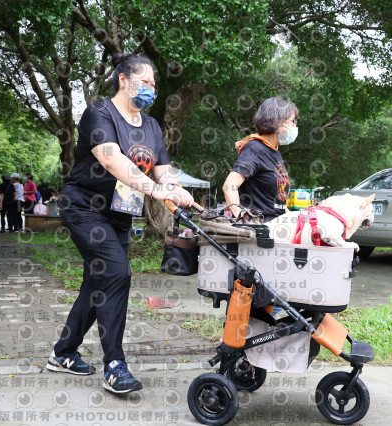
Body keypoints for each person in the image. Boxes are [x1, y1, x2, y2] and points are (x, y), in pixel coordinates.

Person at [46, 52, 193, 394]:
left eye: (154, 84)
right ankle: (114, 364)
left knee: (97, 284)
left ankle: (63, 353)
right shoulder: (99, 113)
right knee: (116, 273)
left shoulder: (153, 126)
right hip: (84, 206)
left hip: (119, 212)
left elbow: (163, 170)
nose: (151, 89)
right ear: (123, 81)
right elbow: (112, 160)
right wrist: (155, 190)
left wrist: (177, 191)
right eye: (145, 82)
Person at [222, 97, 297, 222]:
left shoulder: (275, 152)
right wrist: (244, 220)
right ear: (277, 122)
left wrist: (296, 218)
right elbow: (229, 186)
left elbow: (278, 206)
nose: (295, 126)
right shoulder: (255, 149)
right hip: (260, 231)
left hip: (278, 227)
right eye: (293, 121)